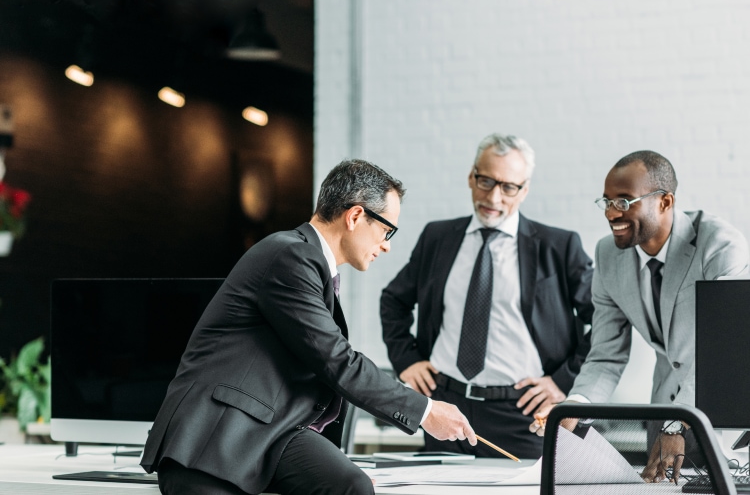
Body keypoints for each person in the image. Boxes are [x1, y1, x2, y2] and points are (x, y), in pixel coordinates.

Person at [140, 159, 476, 495]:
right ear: (356, 216)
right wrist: (426, 410)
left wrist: (332, 466)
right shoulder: (290, 256)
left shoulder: (308, 264)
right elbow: (336, 360)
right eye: (387, 230)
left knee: (350, 485)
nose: (387, 244)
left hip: (270, 435)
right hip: (217, 440)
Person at [530, 150, 750, 483]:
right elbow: (605, 355)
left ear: (664, 201)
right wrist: (573, 407)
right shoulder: (607, 255)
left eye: (623, 201)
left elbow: (726, 351)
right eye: (605, 202)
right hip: (663, 406)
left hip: (723, 409)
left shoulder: (719, 245)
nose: (610, 213)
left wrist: (675, 423)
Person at [380, 133, 594, 459]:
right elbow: (394, 300)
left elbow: (607, 322)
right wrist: (406, 360)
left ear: (524, 190)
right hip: (446, 407)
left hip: (523, 414)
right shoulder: (437, 238)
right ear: (471, 176)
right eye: (486, 181)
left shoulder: (559, 247)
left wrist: (564, 380)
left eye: (509, 187)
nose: (494, 197)